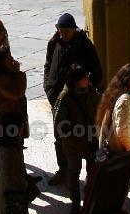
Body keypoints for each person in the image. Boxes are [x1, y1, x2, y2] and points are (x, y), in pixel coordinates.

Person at [43, 12, 102, 185]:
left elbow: (97, 73)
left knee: (84, 138)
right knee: (60, 136)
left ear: (73, 29)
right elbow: (48, 64)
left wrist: (86, 93)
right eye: (60, 30)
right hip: (57, 98)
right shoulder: (54, 42)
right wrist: (48, 87)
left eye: (66, 31)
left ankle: (88, 176)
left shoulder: (85, 45)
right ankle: (63, 170)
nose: (62, 34)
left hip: (78, 102)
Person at [96, 63, 130, 214]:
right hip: (129, 155)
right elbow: (123, 132)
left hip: (128, 154)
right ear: (129, 80)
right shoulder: (126, 100)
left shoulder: (125, 96)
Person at [0, 44, 31, 214]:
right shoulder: (0, 80)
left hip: (9, 128)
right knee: (8, 174)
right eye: (8, 58)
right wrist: (17, 71)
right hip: (6, 129)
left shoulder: (2, 76)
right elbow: (18, 91)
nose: (12, 60)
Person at [53, 63, 100, 214]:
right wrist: (78, 131)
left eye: (87, 76)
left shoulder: (92, 92)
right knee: (73, 174)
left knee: (92, 173)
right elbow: (59, 124)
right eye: (84, 78)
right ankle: (75, 204)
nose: (87, 79)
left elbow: (102, 108)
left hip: (91, 142)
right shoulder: (64, 97)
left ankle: (89, 201)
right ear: (76, 81)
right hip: (73, 144)